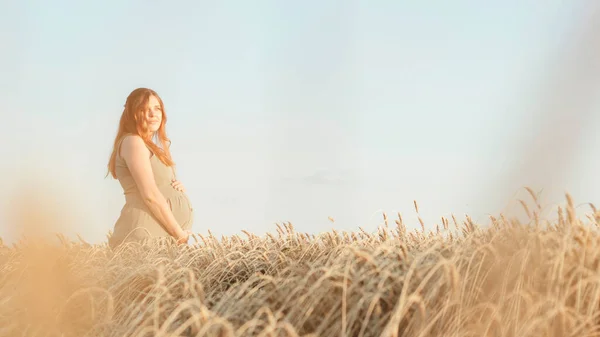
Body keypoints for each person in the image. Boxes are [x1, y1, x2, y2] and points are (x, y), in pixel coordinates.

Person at [106, 88, 193, 249]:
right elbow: (150, 195)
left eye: (157, 108)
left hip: (162, 237)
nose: (153, 114)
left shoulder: (149, 146)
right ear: (133, 114)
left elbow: (157, 186)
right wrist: (179, 234)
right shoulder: (133, 142)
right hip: (146, 238)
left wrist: (175, 187)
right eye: (145, 109)